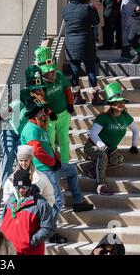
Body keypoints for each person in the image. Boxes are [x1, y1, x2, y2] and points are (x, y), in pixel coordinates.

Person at [19, 93, 94, 243]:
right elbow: (37, 151)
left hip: (51, 166)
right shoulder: (31, 129)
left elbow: (48, 147)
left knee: (72, 170)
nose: (45, 113)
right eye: (42, 111)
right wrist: (53, 163)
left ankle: (78, 202)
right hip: (43, 169)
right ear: (36, 113)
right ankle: (48, 231)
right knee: (58, 200)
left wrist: (56, 158)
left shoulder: (40, 127)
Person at [83, 82, 140, 195]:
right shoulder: (103, 117)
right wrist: (103, 147)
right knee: (102, 155)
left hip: (111, 150)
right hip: (93, 146)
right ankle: (100, 184)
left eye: (122, 102)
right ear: (111, 104)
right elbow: (93, 134)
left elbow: (136, 130)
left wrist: (134, 145)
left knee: (119, 159)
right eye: (118, 102)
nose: (121, 104)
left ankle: (94, 168)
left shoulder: (125, 117)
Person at [29, 46, 77, 164]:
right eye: (48, 71)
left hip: (64, 113)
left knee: (64, 139)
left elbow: (67, 89)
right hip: (49, 117)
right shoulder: (38, 84)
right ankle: (54, 163)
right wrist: (49, 112)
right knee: (50, 141)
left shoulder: (60, 75)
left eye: (53, 70)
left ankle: (65, 164)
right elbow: (40, 102)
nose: (52, 73)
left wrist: (70, 104)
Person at [61, 0, 104, 106]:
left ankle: (76, 96)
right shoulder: (87, 8)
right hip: (86, 42)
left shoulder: (65, 9)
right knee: (90, 68)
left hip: (70, 44)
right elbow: (96, 21)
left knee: (74, 69)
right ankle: (94, 97)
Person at [0, 169, 55, 255]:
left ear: (29, 186)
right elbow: (2, 221)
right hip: (7, 250)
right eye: (17, 187)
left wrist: (30, 242)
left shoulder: (41, 204)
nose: (21, 190)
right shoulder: (10, 201)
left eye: (24, 187)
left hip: (29, 251)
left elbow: (48, 228)